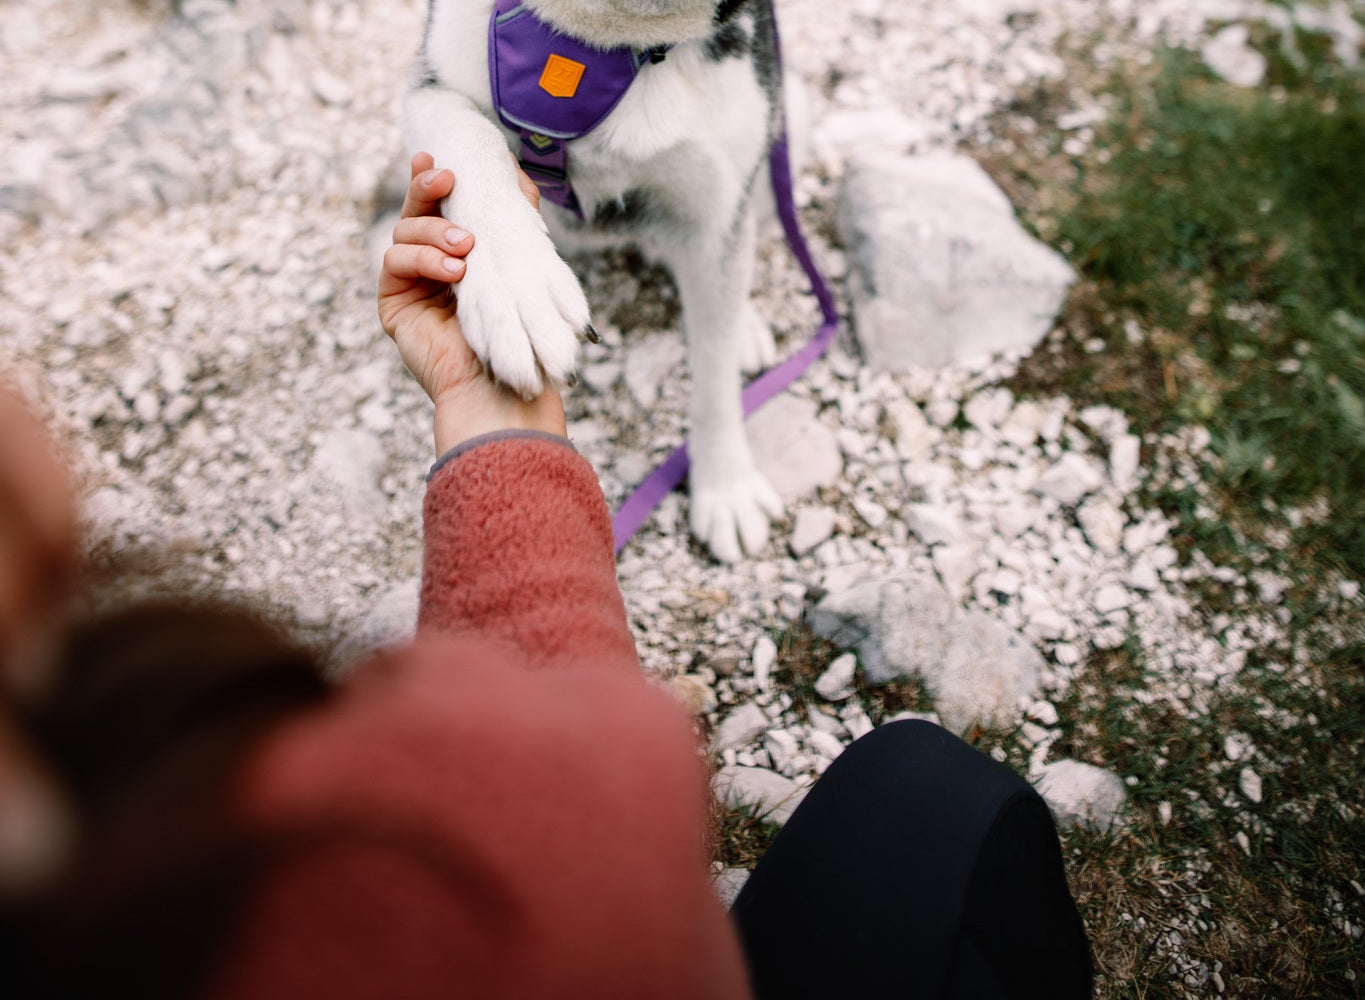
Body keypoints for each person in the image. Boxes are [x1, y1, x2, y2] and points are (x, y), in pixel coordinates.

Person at [0, 154, 1092, 998]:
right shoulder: (406, 875)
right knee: (928, 794)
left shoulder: (80, 813)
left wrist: (490, 407)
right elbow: (611, 763)